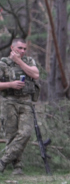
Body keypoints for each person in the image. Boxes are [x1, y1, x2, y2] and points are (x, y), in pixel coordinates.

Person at [0, 39, 41, 175]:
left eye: (24, 49)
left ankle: (3, 162)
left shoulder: (28, 61)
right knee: (11, 135)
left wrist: (19, 62)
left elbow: (35, 74)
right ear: (12, 47)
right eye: (19, 48)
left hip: (26, 101)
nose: (22, 51)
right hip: (9, 101)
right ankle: (18, 168)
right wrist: (10, 85)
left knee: (25, 133)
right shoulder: (3, 63)